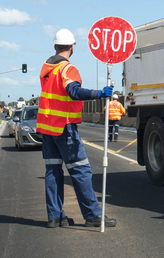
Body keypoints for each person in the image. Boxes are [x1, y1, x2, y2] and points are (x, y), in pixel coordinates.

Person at [37, 28, 117, 229]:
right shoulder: (67, 69)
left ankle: (55, 217)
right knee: (80, 171)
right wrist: (98, 93)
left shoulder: (47, 69)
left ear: (55, 47)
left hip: (47, 129)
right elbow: (73, 91)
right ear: (72, 47)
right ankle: (92, 216)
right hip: (65, 127)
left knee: (53, 172)